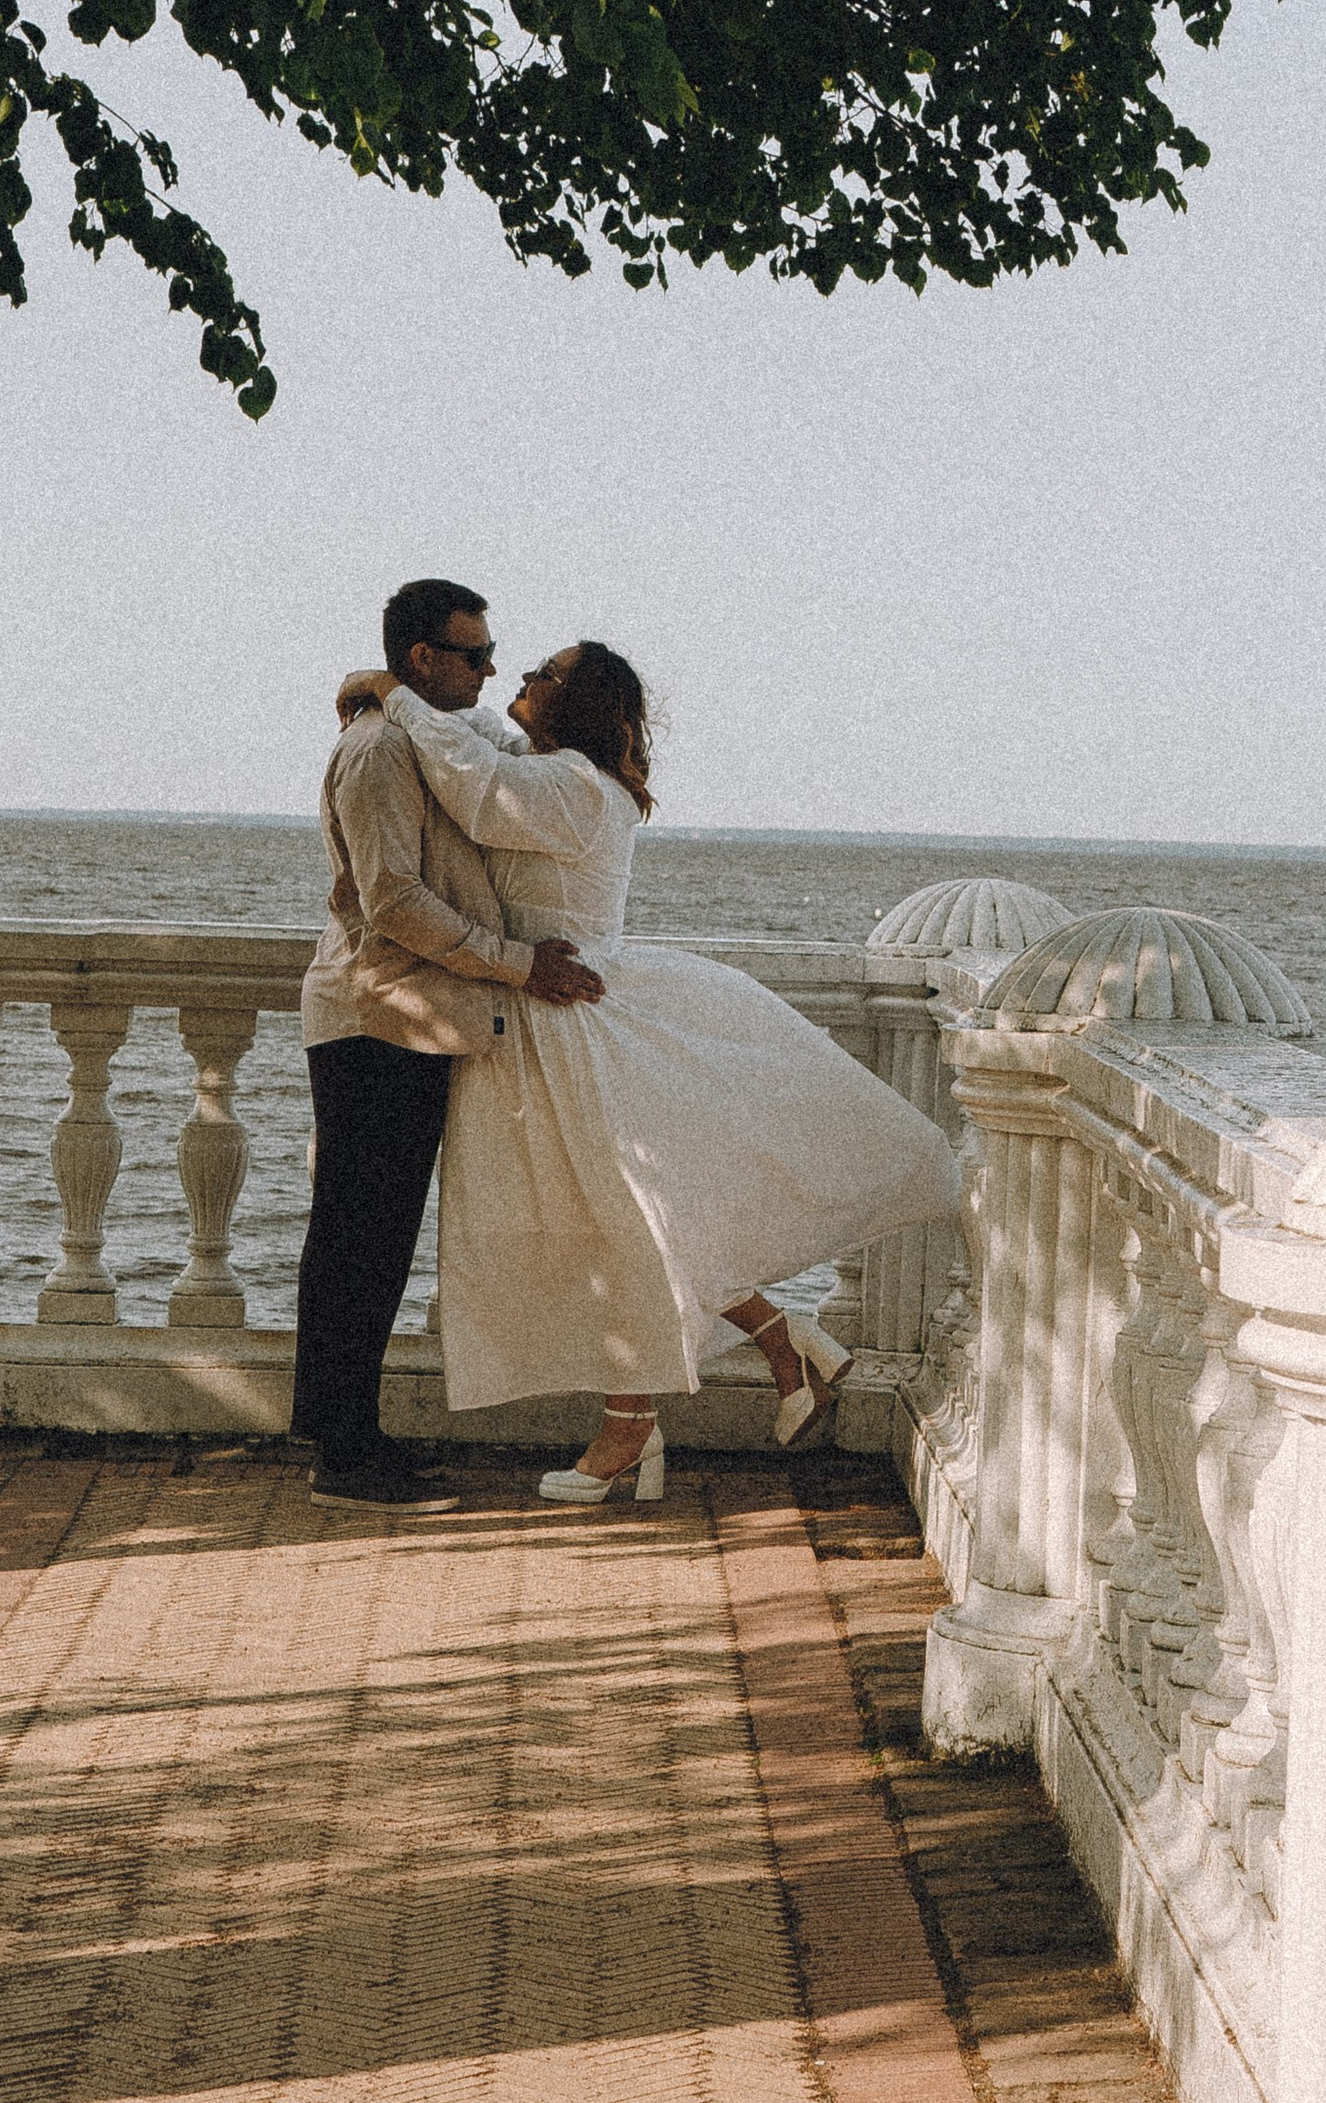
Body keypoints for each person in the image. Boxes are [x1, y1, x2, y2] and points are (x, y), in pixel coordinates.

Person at [342, 641, 962, 1502]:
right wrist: (409, 701)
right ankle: (778, 1344)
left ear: (577, 706)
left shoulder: (572, 790)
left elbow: (476, 789)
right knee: (604, 1229)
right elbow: (480, 745)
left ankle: (634, 1426)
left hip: (568, 1025)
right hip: (537, 1015)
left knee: (615, 1229)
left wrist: (396, 696)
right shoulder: (557, 772)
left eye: (542, 676)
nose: (519, 679)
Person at [294, 580, 603, 1512]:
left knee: (371, 1239)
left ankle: (348, 1436)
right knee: (359, 1239)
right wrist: (519, 964)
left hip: (407, 1016)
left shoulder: (422, 732)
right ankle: (342, 1455)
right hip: (379, 1016)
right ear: (424, 659)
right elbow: (393, 901)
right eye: (473, 654)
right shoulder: (385, 749)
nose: (491, 668)